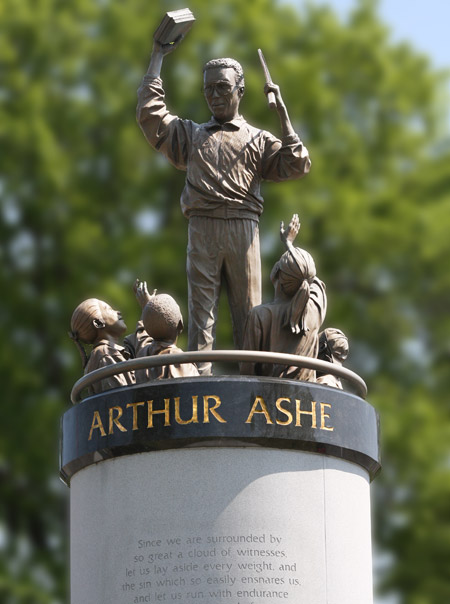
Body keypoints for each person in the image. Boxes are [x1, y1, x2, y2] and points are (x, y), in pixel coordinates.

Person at [136, 35, 311, 374]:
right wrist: (157, 55)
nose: (214, 96)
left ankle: (254, 386)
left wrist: (283, 114)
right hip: (202, 228)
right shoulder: (190, 135)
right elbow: (150, 114)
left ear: (240, 91)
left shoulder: (259, 140)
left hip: (243, 230)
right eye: (208, 89)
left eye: (222, 88)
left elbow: (298, 163)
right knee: (201, 316)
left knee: (250, 316)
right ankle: (198, 383)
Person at [241, 215, 326, 382]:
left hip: (266, 398)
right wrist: (289, 245)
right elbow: (311, 279)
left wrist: (288, 244)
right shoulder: (314, 312)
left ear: (276, 273)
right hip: (306, 398)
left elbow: (247, 371)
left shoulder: (259, 316)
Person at [69, 298, 135, 395]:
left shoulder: (105, 352)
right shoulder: (105, 354)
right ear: (98, 323)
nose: (118, 312)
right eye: (109, 309)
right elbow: (122, 399)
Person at [134, 290, 199, 382]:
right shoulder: (183, 363)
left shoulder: (142, 356)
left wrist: (148, 310)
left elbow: (142, 340)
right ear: (180, 325)